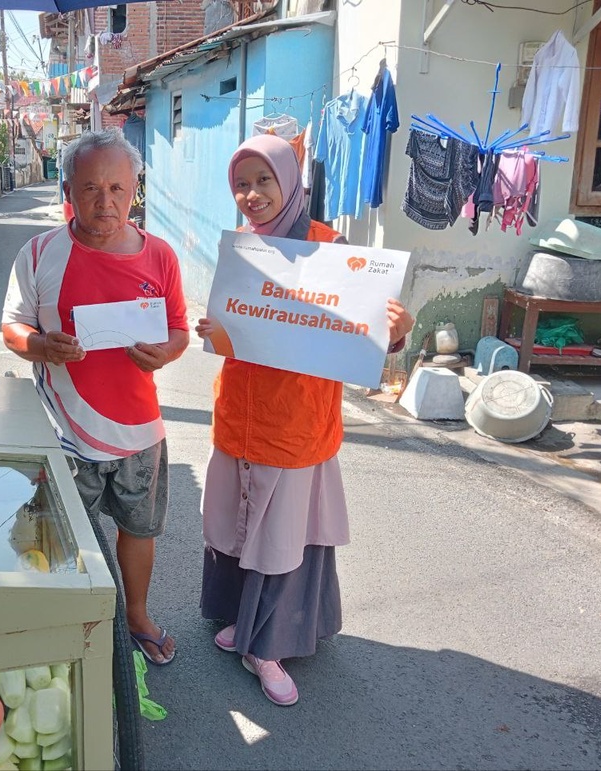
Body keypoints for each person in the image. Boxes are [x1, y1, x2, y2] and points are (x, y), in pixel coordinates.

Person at [196, 134, 414, 705]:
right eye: (241, 183)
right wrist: (213, 329)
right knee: (238, 526)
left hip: (295, 423)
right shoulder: (242, 248)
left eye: (263, 181)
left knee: (280, 536)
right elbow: (234, 328)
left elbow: (364, 340)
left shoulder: (331, 249)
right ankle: (243, 625)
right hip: (238, 416)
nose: (251, 194)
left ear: (290, 182)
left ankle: (264, 646)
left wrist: (397, 331)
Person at [2, 128, 189, 665]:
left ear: (135, 190)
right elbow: (12, 326)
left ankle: (136, 616)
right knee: (57, 534)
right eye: (89, 189)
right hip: (63, 432)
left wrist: (168, 352)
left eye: (116, 189)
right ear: (67, 189)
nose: (104, 202)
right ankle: (63, 624)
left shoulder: (162, 258)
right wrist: (39, 344)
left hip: (138, 430)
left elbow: (177, 330)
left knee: (139, 529)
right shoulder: (39, 254)